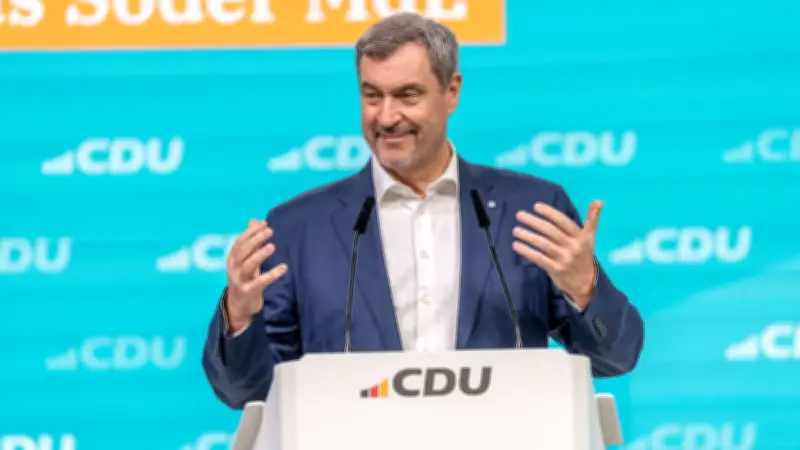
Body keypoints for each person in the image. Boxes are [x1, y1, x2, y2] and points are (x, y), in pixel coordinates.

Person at [202, 12, 644, 410]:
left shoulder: (529, 210)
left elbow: (616, 357)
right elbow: (245, 393)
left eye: (407, 95)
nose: (386, 116)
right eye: (372, 96)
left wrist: (584, 288)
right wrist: (239, 314)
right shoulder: (299, 229)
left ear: (451, 92)